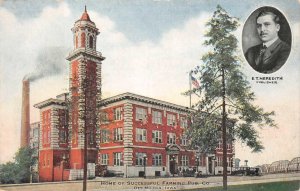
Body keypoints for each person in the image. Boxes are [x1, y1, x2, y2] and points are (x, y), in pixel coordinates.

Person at [245, 10, 291, 74]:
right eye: (259, 26)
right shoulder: (250, 52)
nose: (262, 29)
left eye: (267, 24)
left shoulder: (286, 50)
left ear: (277, 27)